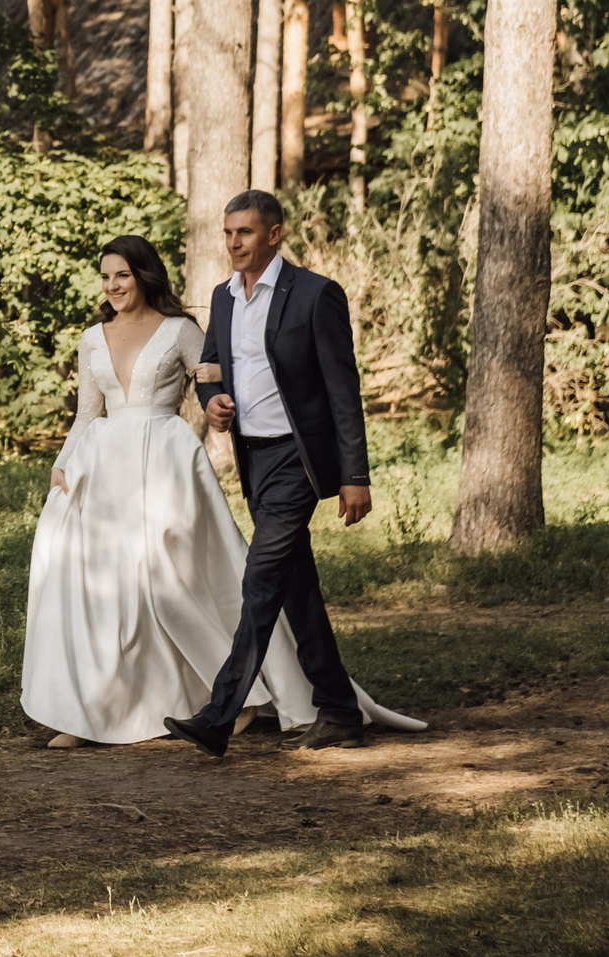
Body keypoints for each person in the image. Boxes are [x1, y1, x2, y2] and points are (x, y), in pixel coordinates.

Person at [21, 234, 421, 747]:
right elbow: (85, 414)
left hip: (165, 464)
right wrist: (61, 465)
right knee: (107, 590)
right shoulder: (92, 338)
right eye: (105, 277)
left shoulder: (181, 330)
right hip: (104, 469)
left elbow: (215, 376)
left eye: (122, 275)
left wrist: (216, 398)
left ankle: (243, 699)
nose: (113, 285)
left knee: (171, 584)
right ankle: (92, 712)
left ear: (143, 276)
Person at [163, 190, 423, 757]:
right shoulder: (223, 297)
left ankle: (218, 713)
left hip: (297, 460)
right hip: (254, 459)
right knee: (295, 587)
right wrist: (212, 400)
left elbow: (342, 388)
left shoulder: (314, 295)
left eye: (246, 233)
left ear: (274, 235)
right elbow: (209, 366)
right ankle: (338, 710)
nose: (233, 243)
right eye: (228, 233)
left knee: (259, 581)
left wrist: (356, 474)